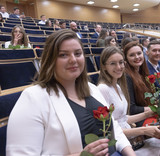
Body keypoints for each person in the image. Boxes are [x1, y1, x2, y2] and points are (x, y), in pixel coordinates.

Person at [6, 29, 135, 156]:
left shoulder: (92, 89)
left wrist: (130, 153)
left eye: (78, 53)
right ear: (50, 60)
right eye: (63, 55)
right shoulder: (33, 97)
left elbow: (115, 130)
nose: (73, 59)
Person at [97, 46, 160, 155]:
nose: (119, 67)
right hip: (121, 144)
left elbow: (123, 119)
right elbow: (111, 130)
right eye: (113, 63)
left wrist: (148, 113)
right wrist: (144, 130)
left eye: (121, 62)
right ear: (104, 67)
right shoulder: (103, 89)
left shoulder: (117, 86)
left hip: (133, 139)